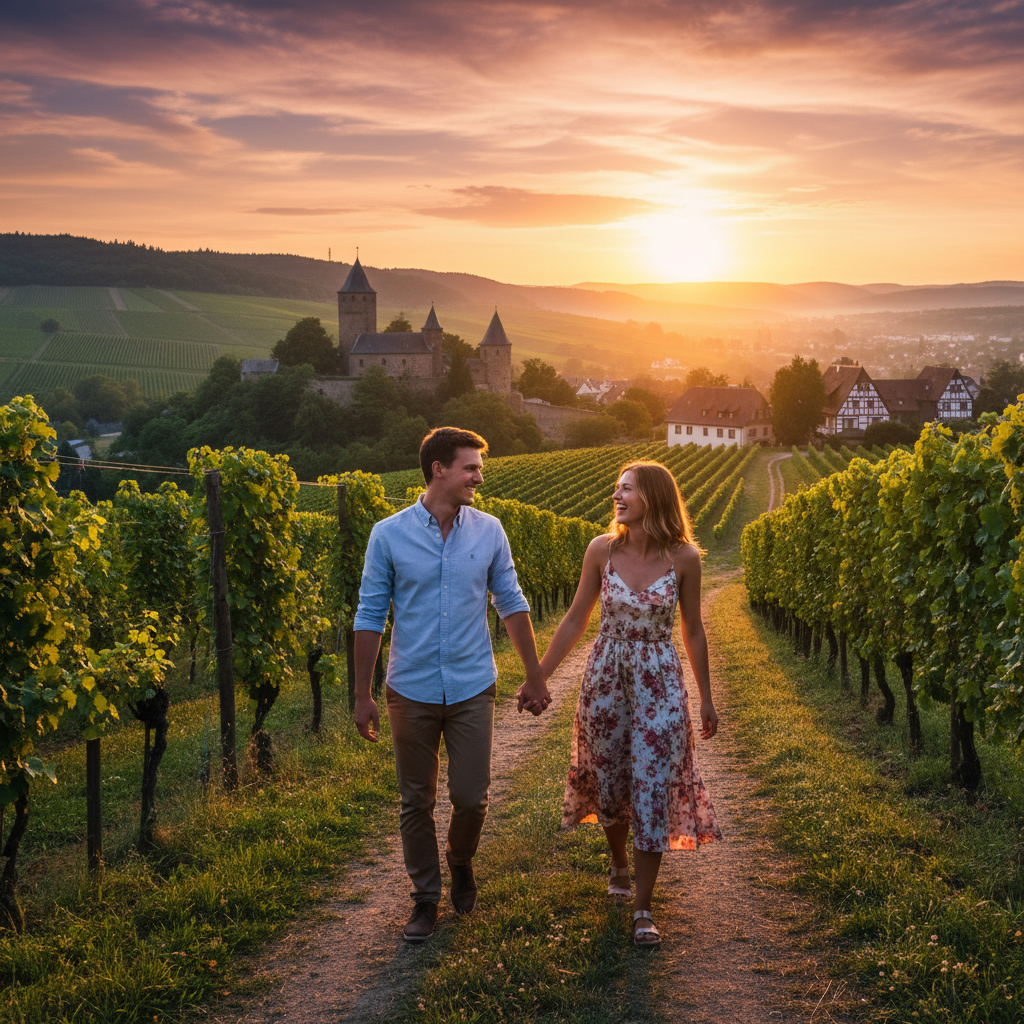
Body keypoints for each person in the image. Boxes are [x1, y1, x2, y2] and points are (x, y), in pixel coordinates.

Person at [353, 426, 551, 943]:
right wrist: (362, 694)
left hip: (471, 685)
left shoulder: (490, 531)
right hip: (410, 688)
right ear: (438, 470)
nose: (479, 478)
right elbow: (370, 615)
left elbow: (511, 601)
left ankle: (460, 860)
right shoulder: (387, 535)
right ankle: (425, 897)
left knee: (471, 797)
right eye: (471, 468)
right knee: (415, 799)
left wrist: (534, 674)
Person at [539, 460, 722, 946]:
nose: (617, 496)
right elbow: (575, 618)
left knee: (653, 784)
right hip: (606, 678)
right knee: (612, 777)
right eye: (616, 488)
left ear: (654, 498)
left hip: (659, 681)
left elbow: (693, 629)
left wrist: (706, 697)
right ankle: (618, 862)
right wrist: (539, 674)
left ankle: (643, 906)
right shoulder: (601, 549)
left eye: (628, 489)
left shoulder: (685, 557)